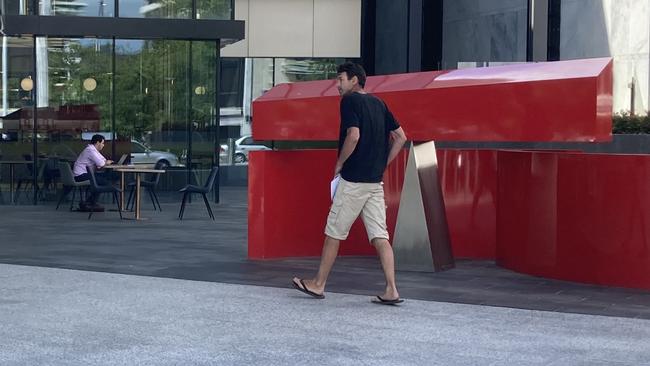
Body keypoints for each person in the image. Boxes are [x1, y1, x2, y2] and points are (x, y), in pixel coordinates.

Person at [292, 62, 408, 305]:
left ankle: (318, 284)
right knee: (380, 236)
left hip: (353, 180)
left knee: (333, 232)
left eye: (341, 79)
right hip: (374, 182)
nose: (338, 84)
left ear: (354, 80)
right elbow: (400, 137)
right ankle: (392, 289)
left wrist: (339, 164)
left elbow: (353, 135)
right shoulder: (379, 103)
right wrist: (383, 164)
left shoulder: (350, 102)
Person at [73, 134, 113, 211]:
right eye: (102, 143)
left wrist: (104, 162)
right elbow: (101, 163)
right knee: (103, 182)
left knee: (102, 180)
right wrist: (105, 162)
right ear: (98, 142)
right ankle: (90, 202)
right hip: (80, 175)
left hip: (84, 174)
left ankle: (89, 202)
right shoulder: (90, 150)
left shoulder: (93, 150)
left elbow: (103, 160)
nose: (103, 145)